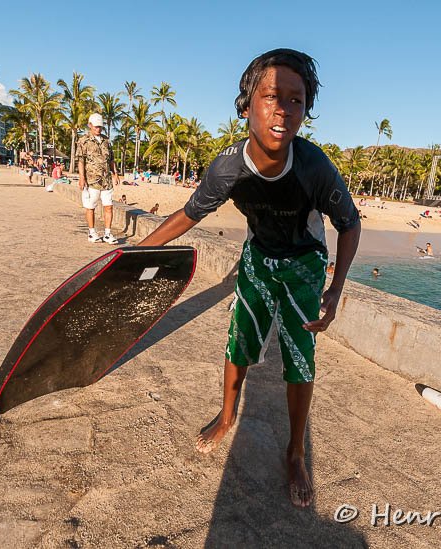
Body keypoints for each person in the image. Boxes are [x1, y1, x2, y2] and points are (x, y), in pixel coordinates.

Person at [135, 49, 360, 508]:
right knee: (239, 339)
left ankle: (295, 453)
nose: (284, 110)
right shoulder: (228, 168)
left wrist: (335, 290)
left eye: (296, 101)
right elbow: (189, 215)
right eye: (272, 96)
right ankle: (226, 416)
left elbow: (350, 224)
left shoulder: (314, 167)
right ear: (246, 105)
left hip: (305, 263)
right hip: (258, 255)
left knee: (299, 355)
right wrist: (136, 256)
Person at [77, 113, 118, 244]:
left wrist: (115, 174)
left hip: (106, 180)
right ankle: (92, 232)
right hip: (91, 180)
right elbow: (81, 161)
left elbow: (111, 160)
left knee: (109, 206)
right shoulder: (83, 141)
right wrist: (82, 178)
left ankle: (107, 234)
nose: (98, 129)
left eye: (100, 126)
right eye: (96, 126)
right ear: (90, 125)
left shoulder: (106, 141)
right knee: (90, 207)